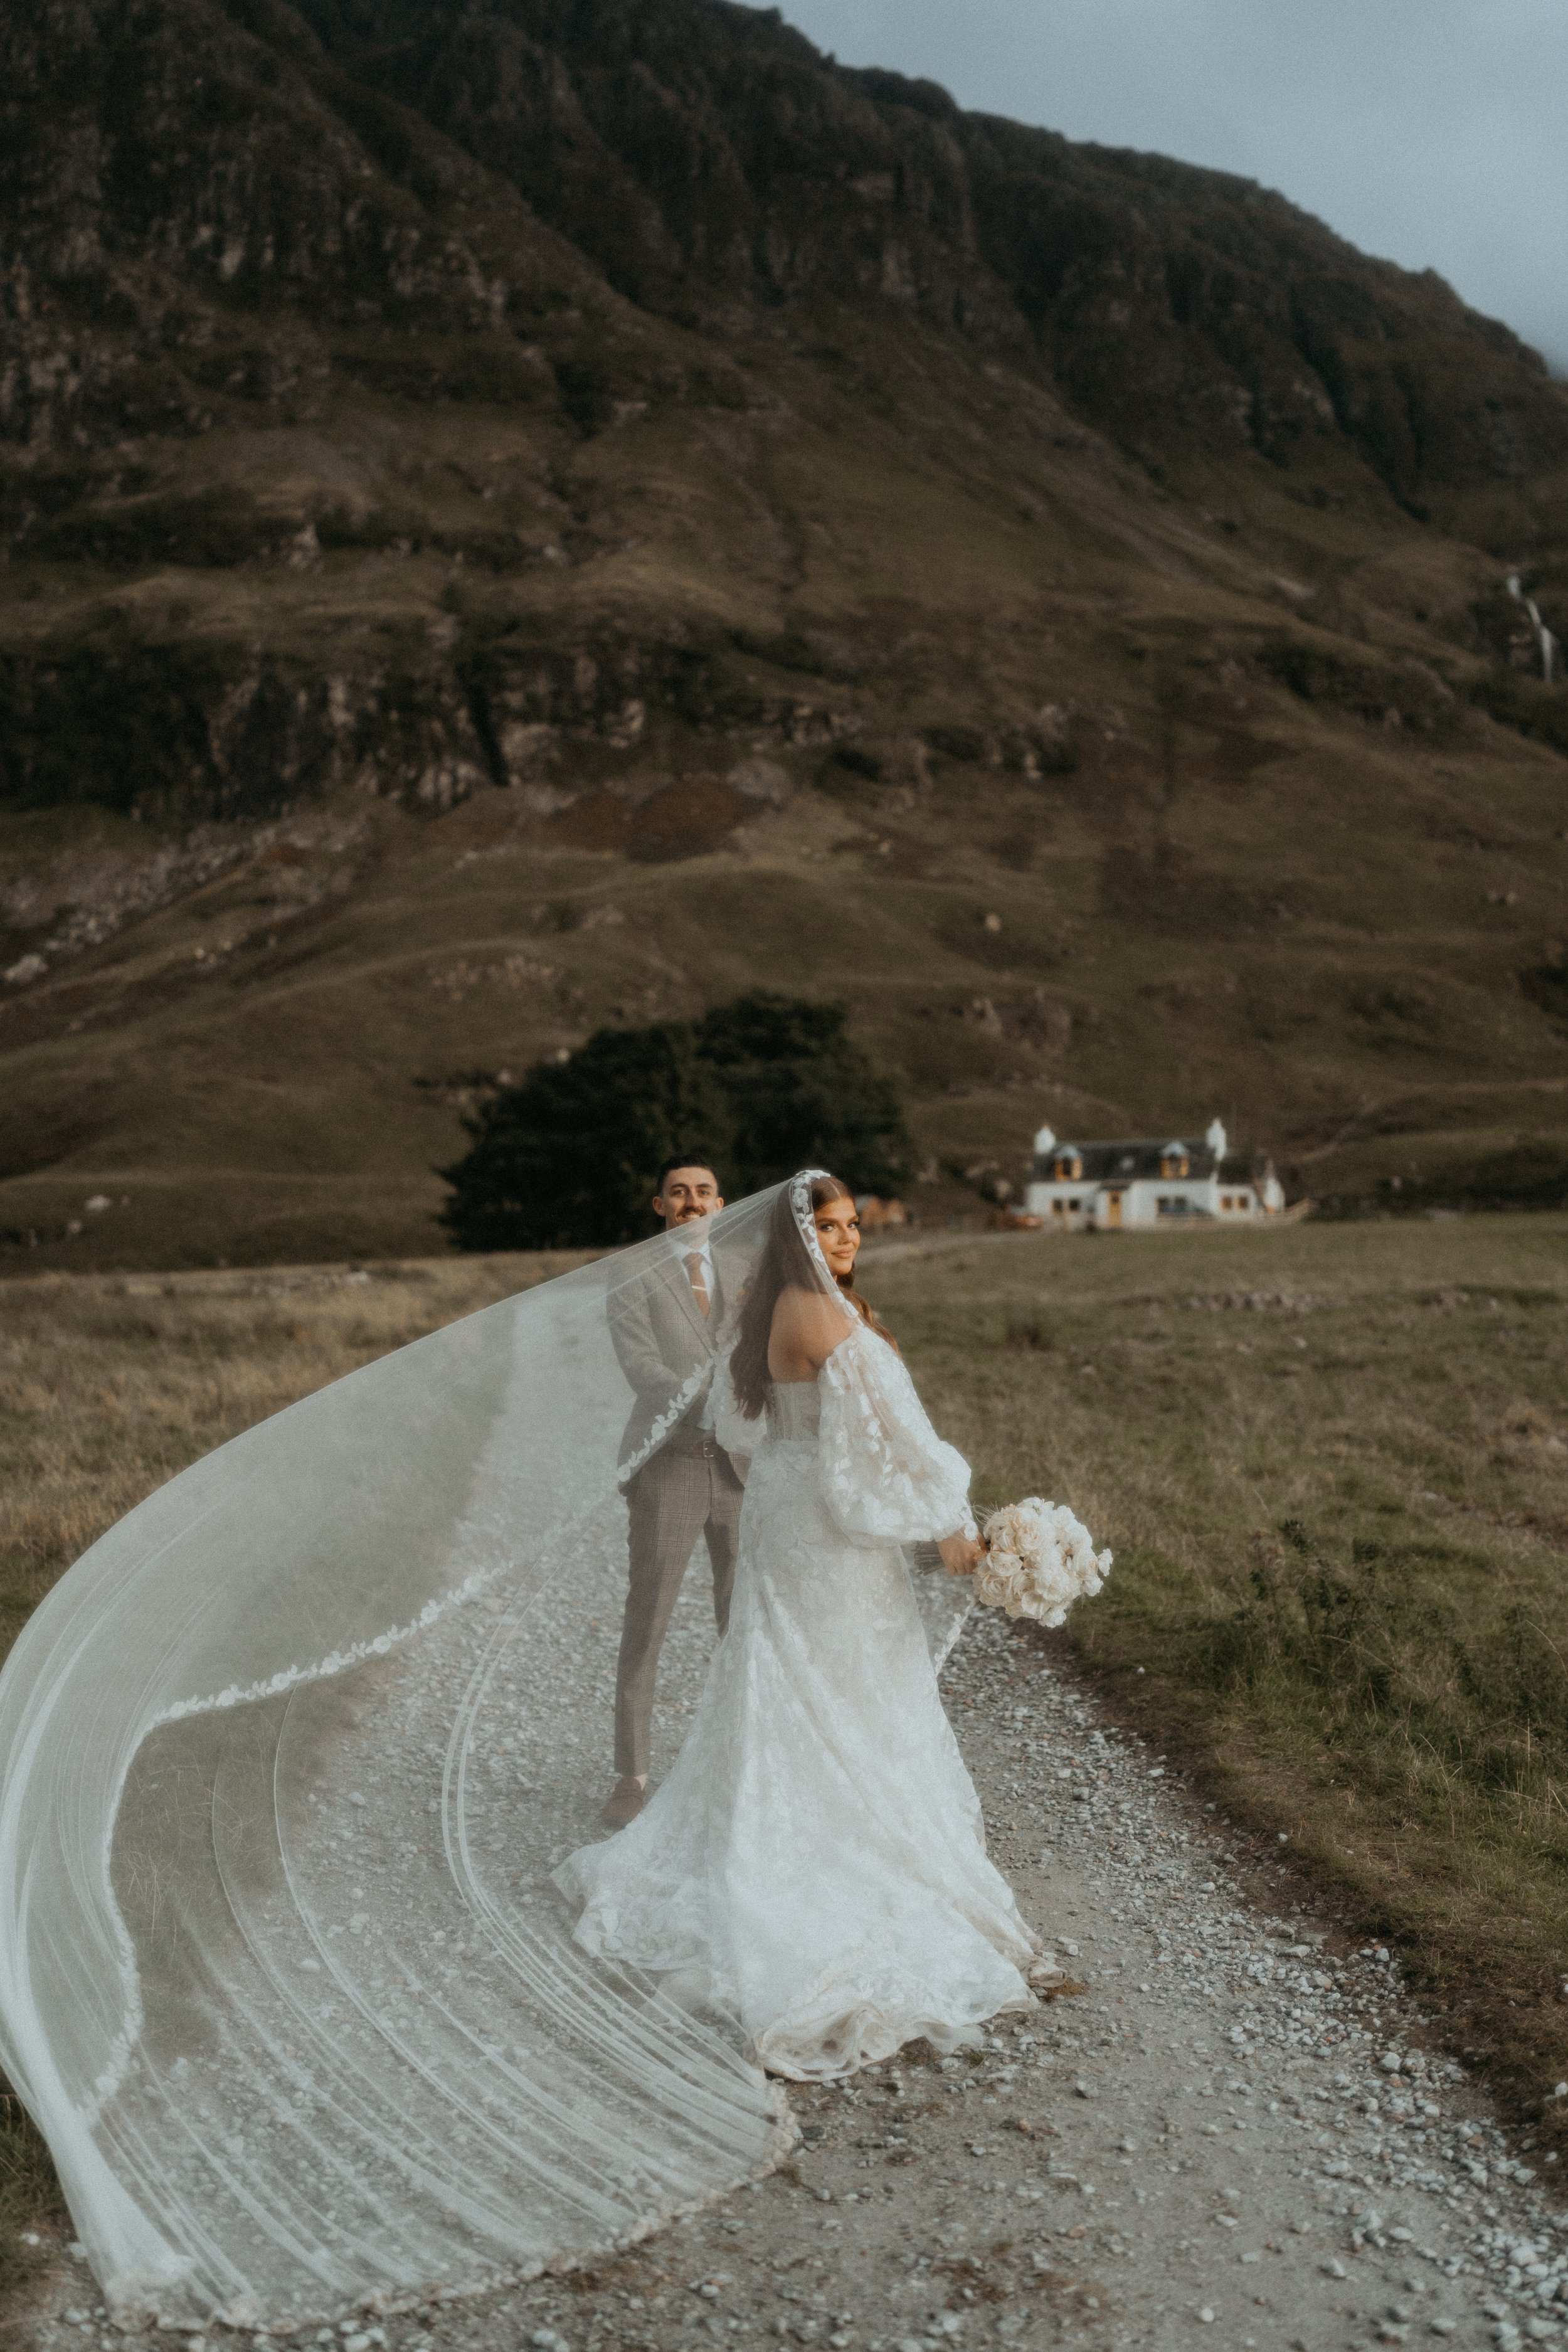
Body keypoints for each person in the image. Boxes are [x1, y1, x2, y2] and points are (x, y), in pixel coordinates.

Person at [556, 1171, 1046, 2080]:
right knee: (841, 1682)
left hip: (791, 1506)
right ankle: (841, 1847)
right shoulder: (817, 1314)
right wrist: (961, 1529)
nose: (850, 1235)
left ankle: (785, 1812)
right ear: (798, 1232)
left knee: (789, 1674)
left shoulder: (787, 1305)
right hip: (821, 1529)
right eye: (831, 1223)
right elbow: (892, 1439)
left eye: (857, 1222)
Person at [604, 1156, 746, 1827]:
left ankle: (745, 1765)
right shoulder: (632, 1271)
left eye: (703, 1193)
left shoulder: (746, 1274)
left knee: (744, 1623)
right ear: (658, 1205)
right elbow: (640, 1366)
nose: (692, 1203)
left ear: (723, 1204)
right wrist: (706, 1395)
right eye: (678, 1193)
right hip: (671, 1464)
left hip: (744, 1472)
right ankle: (629, 1776)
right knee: (649, 1620)